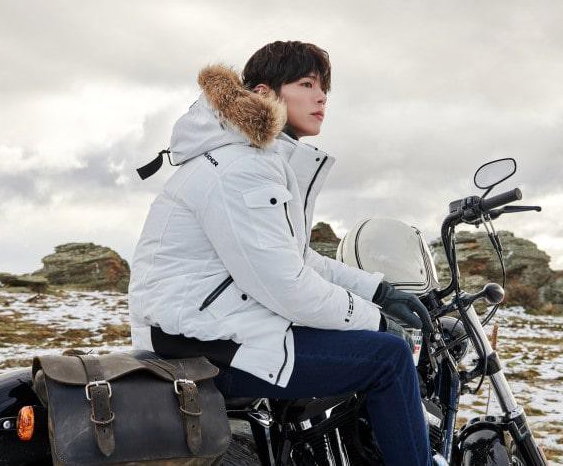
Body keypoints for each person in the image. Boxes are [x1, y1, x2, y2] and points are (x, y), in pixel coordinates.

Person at [129, 41, 434, 465]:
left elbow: (297, 258)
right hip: (203, 344)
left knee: (360, 346)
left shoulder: (252, 158)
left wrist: (378, 291)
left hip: (211, 329)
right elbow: (287, 286)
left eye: (324, 87)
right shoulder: (241, 167)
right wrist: (377, 320)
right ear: (264, 93)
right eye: (306, 84)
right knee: (389, 358)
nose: (321, 97)